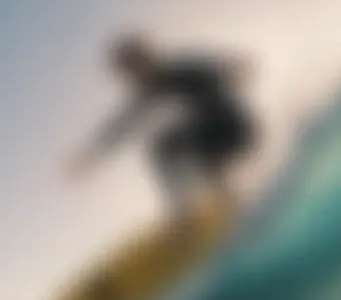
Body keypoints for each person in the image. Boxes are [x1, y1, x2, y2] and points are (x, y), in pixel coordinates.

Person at [67, 33, 259, 228]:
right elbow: (121, 125)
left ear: (148, 58)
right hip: (219, 136)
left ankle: (216, 205)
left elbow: (217, 70)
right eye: (129, 74)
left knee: (187, 140)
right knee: (167, 145)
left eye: (135, 68)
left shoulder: (180, 71)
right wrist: (90, 155)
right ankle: (204, 207)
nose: (135, 79)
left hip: (235, 128)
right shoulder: (152, 89)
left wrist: (234, 67)